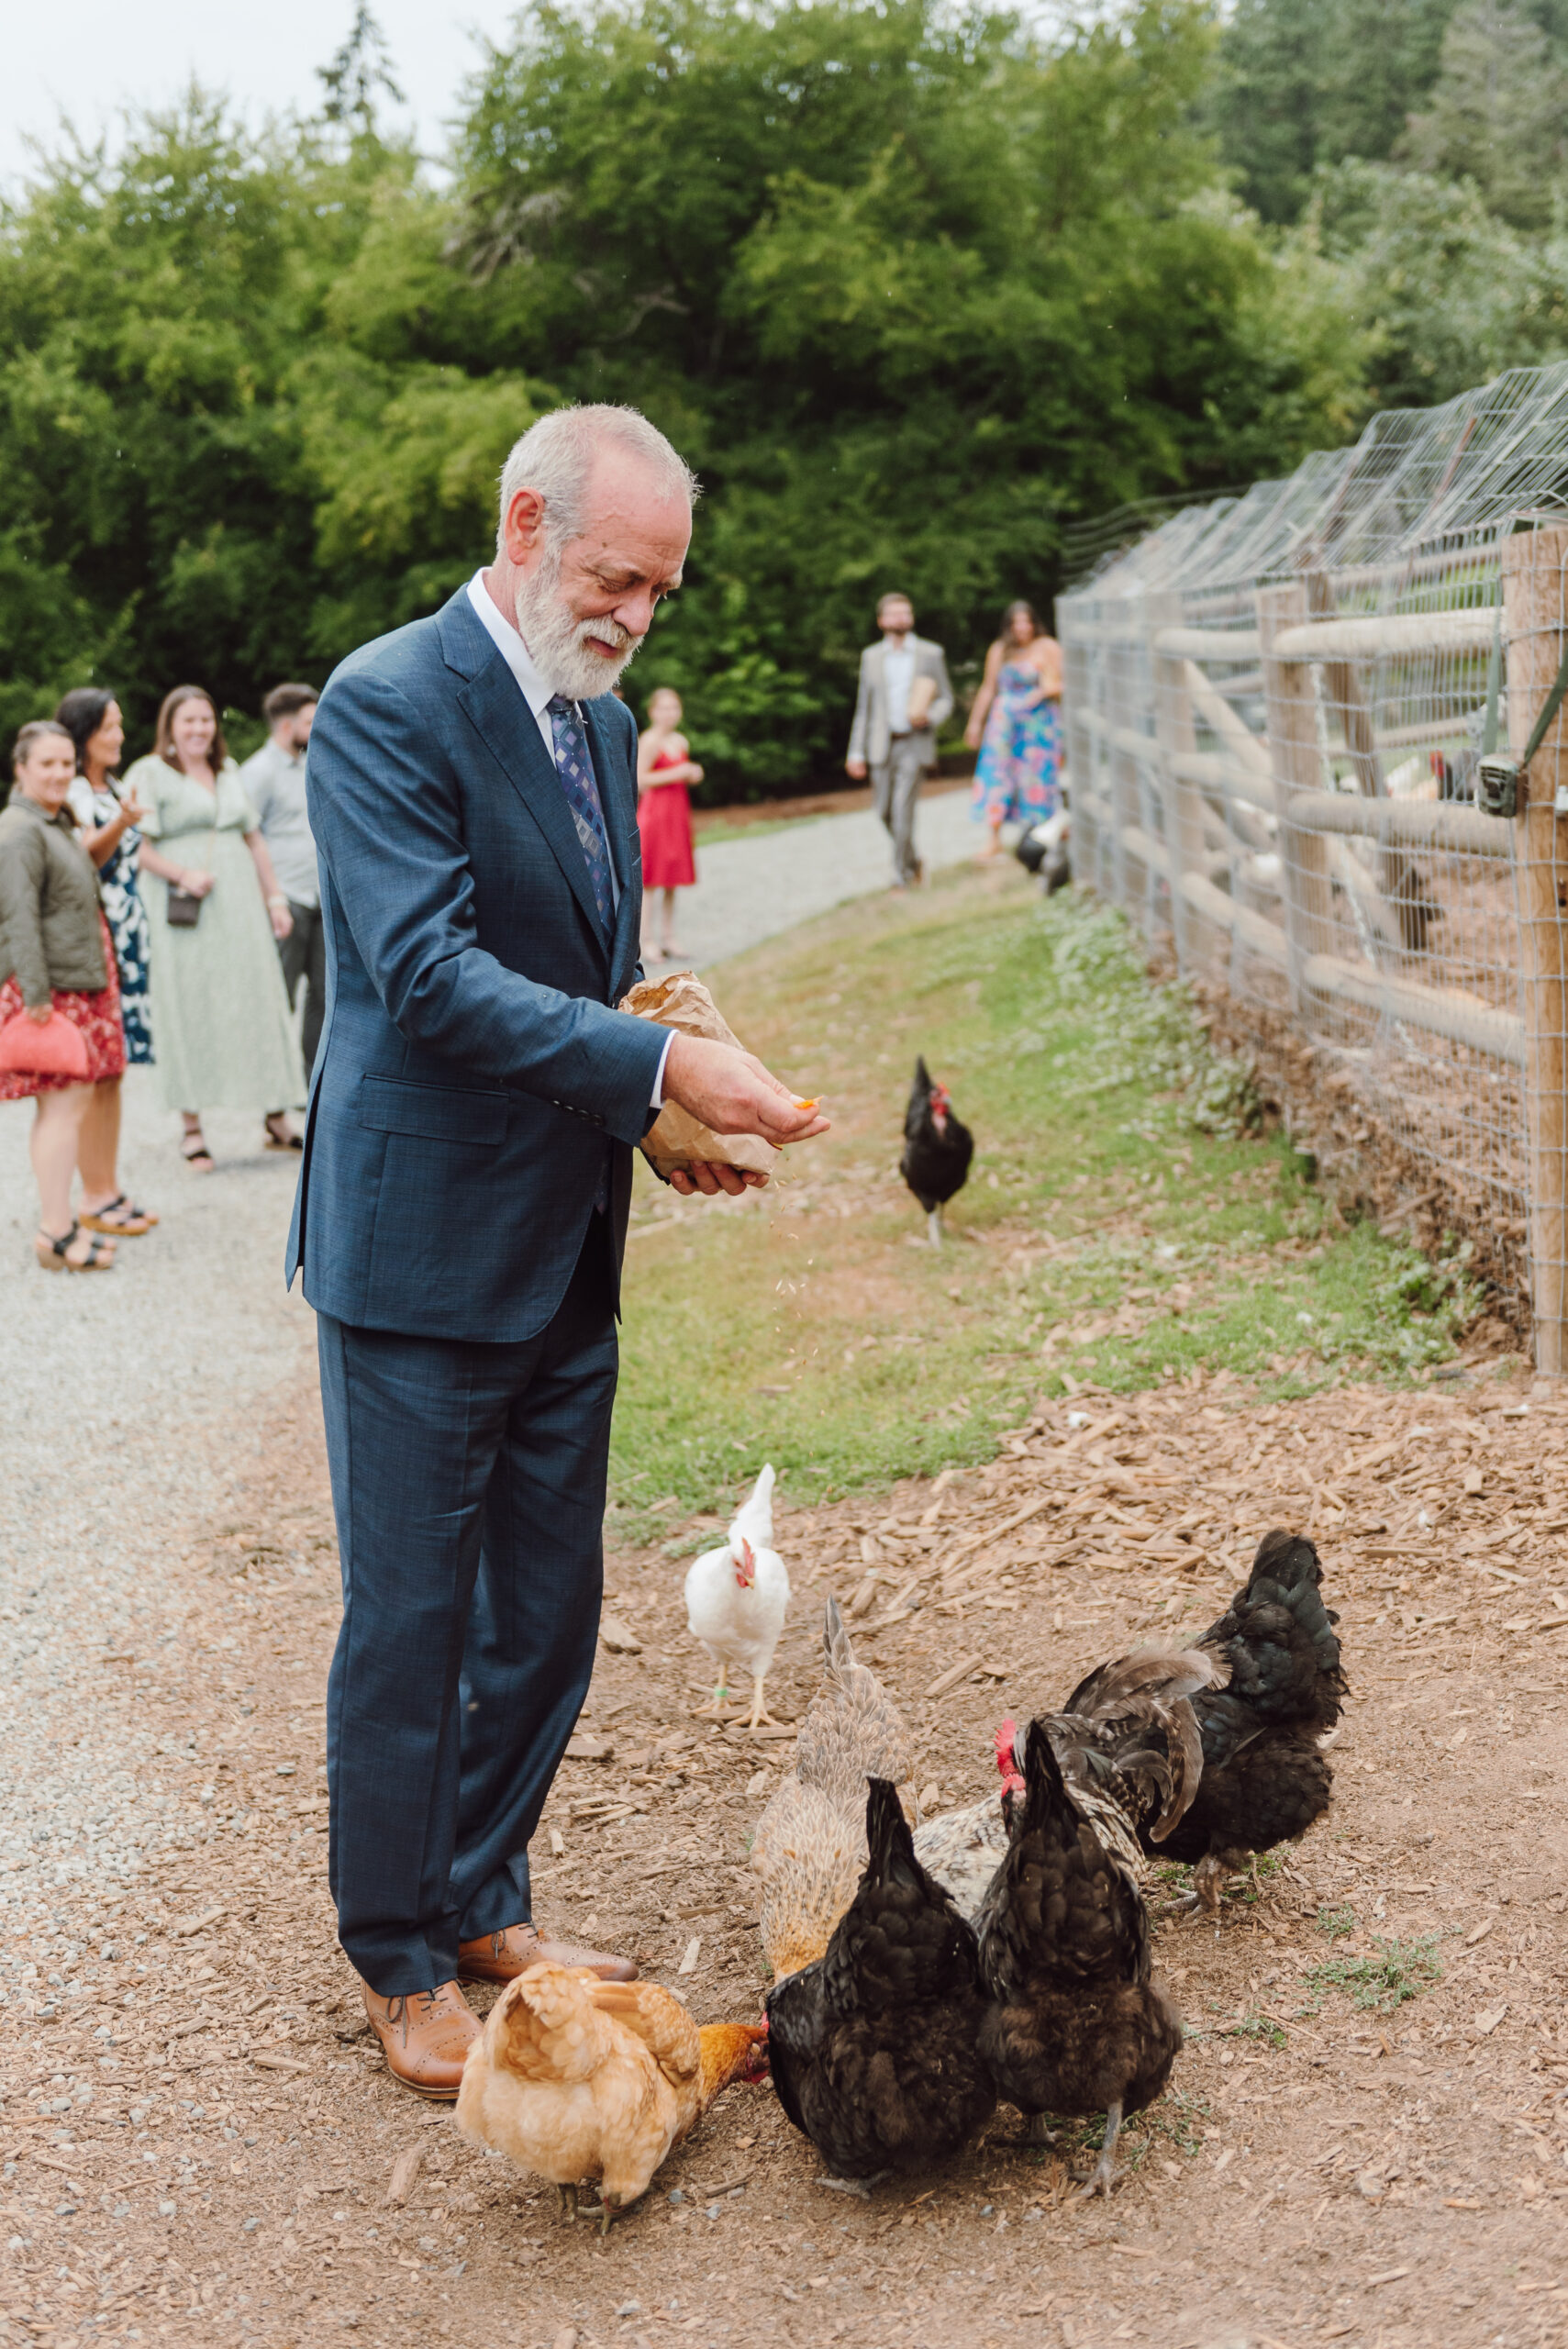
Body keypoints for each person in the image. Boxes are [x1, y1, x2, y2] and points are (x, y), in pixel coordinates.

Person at [291, 402, 828, 2099]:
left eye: (659, 592)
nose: (634, 618)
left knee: (545, 1608)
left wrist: (645, 1118)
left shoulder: (594, 731)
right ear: (523, 524)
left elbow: (588, 985)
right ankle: (395, 1958)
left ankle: (483, 1898)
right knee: (412, 1619)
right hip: (415, 1258)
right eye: (615, 577)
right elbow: (432, 981)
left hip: (559, 1237)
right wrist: (666, 1069)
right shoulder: (386, 706)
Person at [125, 686, 305, 1171]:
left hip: (240, 904)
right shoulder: (150, 773)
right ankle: (191, 1127)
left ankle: (274, 1115)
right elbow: (133, 848)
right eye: (189, 721)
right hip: (186, 909)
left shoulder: (227, 772)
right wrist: (179, 873)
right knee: (191, 1006)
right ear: (170, 727)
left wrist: (274, 898)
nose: (199, 729)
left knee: (258, 1000)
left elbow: (256, 840)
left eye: (206, 720)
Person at [0, 722, 124, 1272]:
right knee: (61, 1110)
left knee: (66, 1110)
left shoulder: (50, 821)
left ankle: (63, 1223)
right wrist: (36, 998)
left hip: (74, 983)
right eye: (45, 763)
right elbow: (15, 917)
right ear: (20, 768)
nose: (58, 773)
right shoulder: (19, 829)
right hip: (52, 991)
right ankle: (55, 1233)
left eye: (66, 763)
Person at [53, 689, 159, 1239]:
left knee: (115, 1069)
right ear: (85, 731)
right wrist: (120, 823)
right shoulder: (69, 787)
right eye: (110, 727)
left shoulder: (113, 785)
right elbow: (80, 859)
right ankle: (92, 1192)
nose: (120, 735)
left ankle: (108, 1186)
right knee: (96, 1070)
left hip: (128, 932)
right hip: (97, 935)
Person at [241, 683, 323, 1120]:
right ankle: (271, 1104)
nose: (316, 728)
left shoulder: (314, 763)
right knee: (280, 1000)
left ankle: (313, 1093)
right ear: (288, 724)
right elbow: (244, 838)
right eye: (309, 721)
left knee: (325, 999)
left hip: (321, 899)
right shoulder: (257, 773)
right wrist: (268, 900)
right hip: (284, 902)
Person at [845, 592, 954, 890]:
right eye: (894, 614)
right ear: (882, 620)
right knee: (883, 811)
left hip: (914, 742)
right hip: (881, 744)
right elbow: (864, 708)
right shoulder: (871, 657)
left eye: (905, 613)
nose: (900, 618)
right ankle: (914, 862)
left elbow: (946, 698)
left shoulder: (930, 653)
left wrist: (930, 716)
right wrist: (855, 751)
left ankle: (900, 877)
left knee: (903, 808)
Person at [965, 598, 1064, 858]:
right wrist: (975, 723)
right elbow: (989, 688)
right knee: (997, 775)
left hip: (1039, 724)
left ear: (1034, 622)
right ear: (1008, 626)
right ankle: (994, 838)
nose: (1022, 627)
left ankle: (1039, 834)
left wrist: (1043, 691)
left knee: (1038, 777)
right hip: (1005, 723)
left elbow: (1064, 681)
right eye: (1016, 622)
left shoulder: (1047, 647)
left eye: (1026, 621)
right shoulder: (1000, 650)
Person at [636, 685, 700, 959]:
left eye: (674, 708)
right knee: (651, 880)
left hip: (676, 814)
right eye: (663, 708)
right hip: (655, 815)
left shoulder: (680, 741)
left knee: (672, 877)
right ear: (652, 712)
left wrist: (692, 773)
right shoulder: (649, 741)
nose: (669, 714)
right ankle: (646, 940)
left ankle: (669, 936)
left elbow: (683, 773)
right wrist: (677, 773)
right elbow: (639, 780)